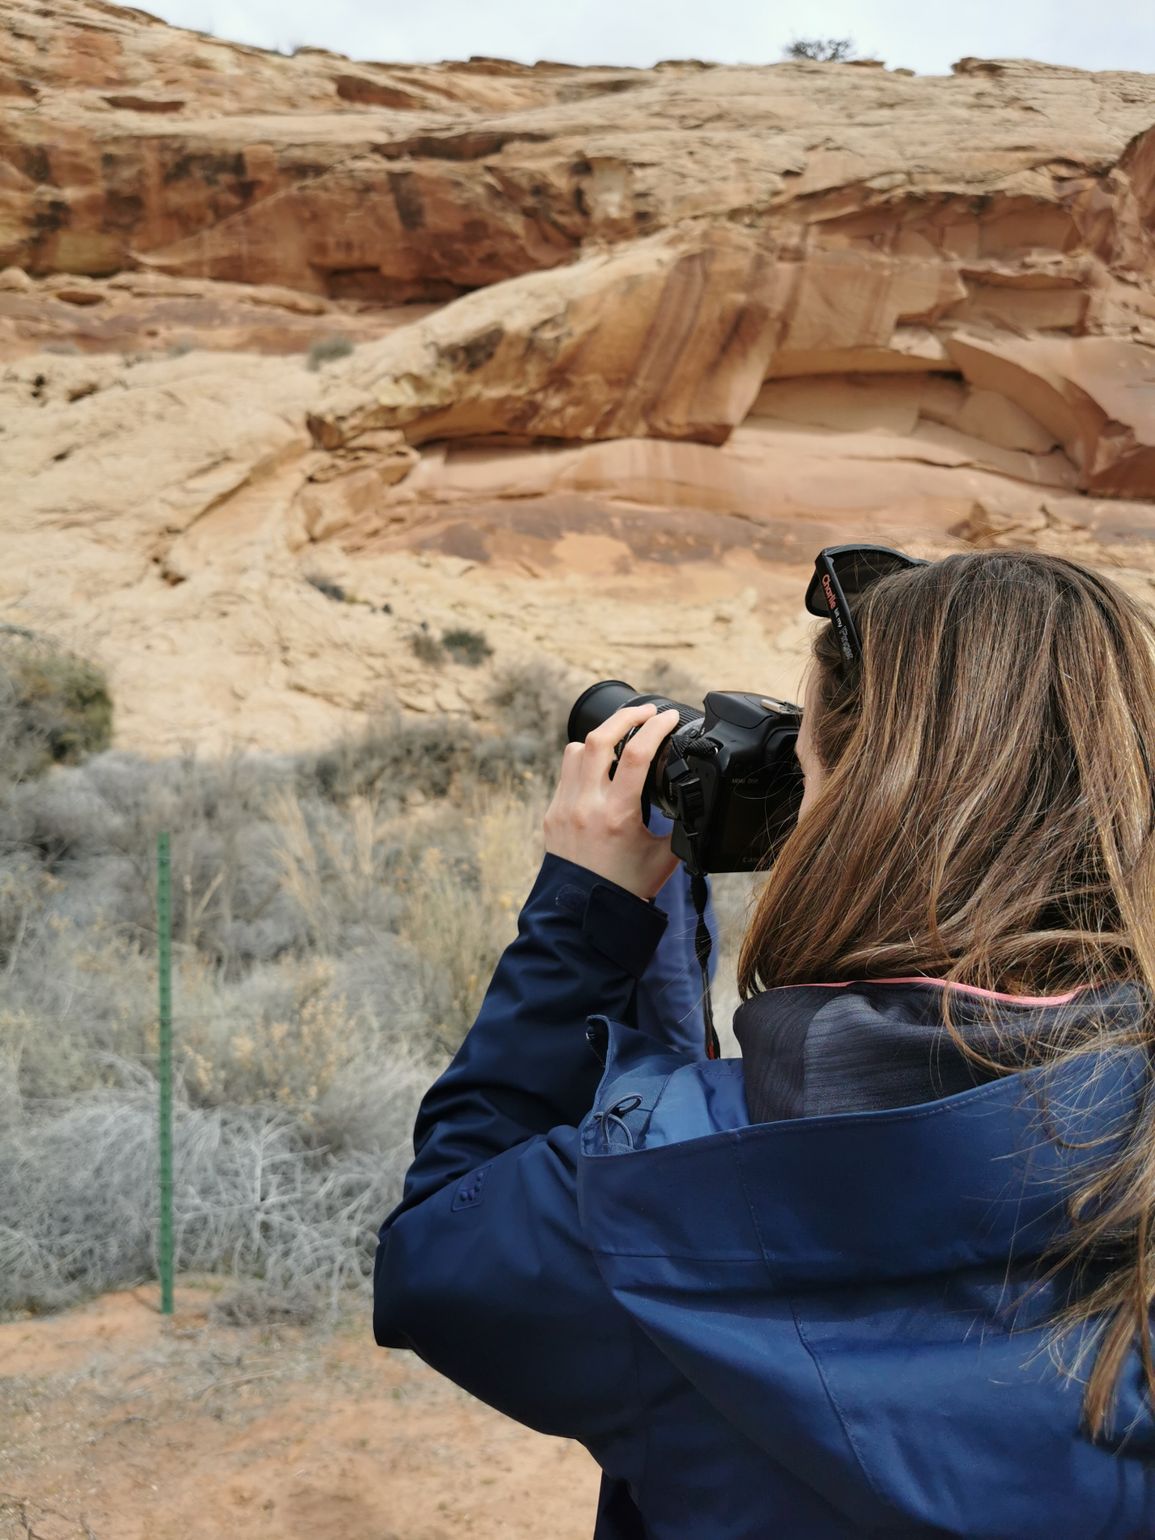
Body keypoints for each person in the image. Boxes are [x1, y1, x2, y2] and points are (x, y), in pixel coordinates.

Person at [374, 547, 1155, 1538]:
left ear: (850, 807)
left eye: (804, 763)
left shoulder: (657, 1194)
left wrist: (582, 912)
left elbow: (436, 1257)